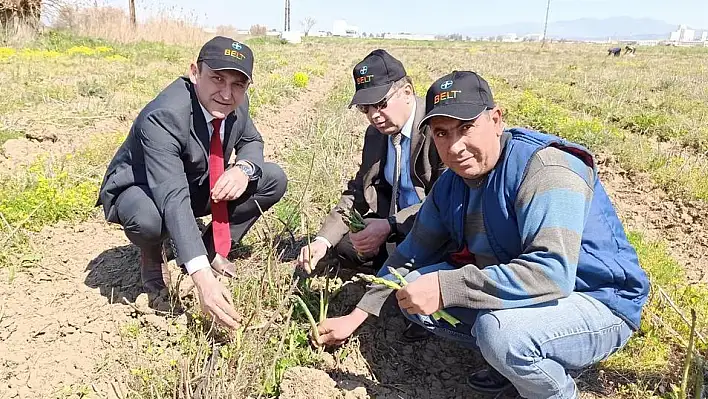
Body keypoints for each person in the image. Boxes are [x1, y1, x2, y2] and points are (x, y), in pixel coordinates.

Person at [314, 70, 650, 399]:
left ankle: (551, 386)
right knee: (413, 291)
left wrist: (449, 288)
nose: (456, 146)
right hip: (533, 293)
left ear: (496, 119)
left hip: (597, 300)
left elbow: (552, 274)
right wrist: (355, 317)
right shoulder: (452, 183)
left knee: (498, 334)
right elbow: (411, 252)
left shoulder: (545, 169)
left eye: (466, 127)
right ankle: (510, 361)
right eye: (443, 133)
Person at [97, 36, 287, 330]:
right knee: (149, 219)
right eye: (217, 79)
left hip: (194, 180)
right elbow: (171, 195)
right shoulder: (165, 115)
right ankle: (152, 253)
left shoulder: (238, 101)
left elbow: (252, 140)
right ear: (194, 72)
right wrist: (204, 283)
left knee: (271, 178)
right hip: (142, 187)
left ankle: (209, 248)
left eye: (238, 84)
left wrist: (242, 169)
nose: (226, 93)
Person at [295, 49, 446, 341]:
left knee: (413, 290)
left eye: (380, 103)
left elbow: (444, 204)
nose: (374, 116)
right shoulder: (377, 134)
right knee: (344, 248)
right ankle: (389, 270)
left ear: (407, 91)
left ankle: (414, 295)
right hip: (393, 224)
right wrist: (322, 241)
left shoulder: (436, 130)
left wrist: (389, 224)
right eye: (365, 108)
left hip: (434, 229)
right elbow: (357, 190)